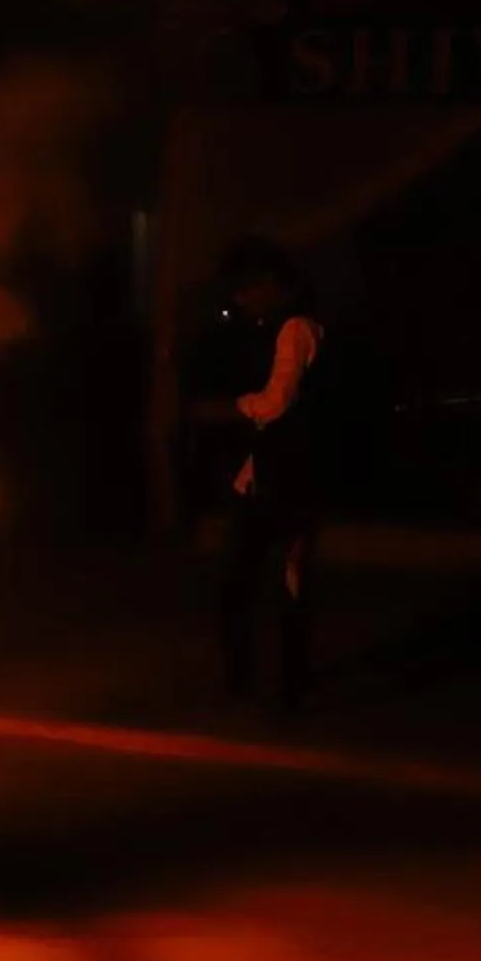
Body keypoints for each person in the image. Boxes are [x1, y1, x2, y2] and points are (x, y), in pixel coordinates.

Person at [211, 238, 326, 714]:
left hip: (294, 479)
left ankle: (288, 689)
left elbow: (276, 403)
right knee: (235, 583)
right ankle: (245, 681)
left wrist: (228, 409)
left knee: (289, 582)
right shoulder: (264, 329)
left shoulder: (297, 328)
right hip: (261, 478)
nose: (239, 299)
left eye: (247, 288)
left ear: (273, 285)